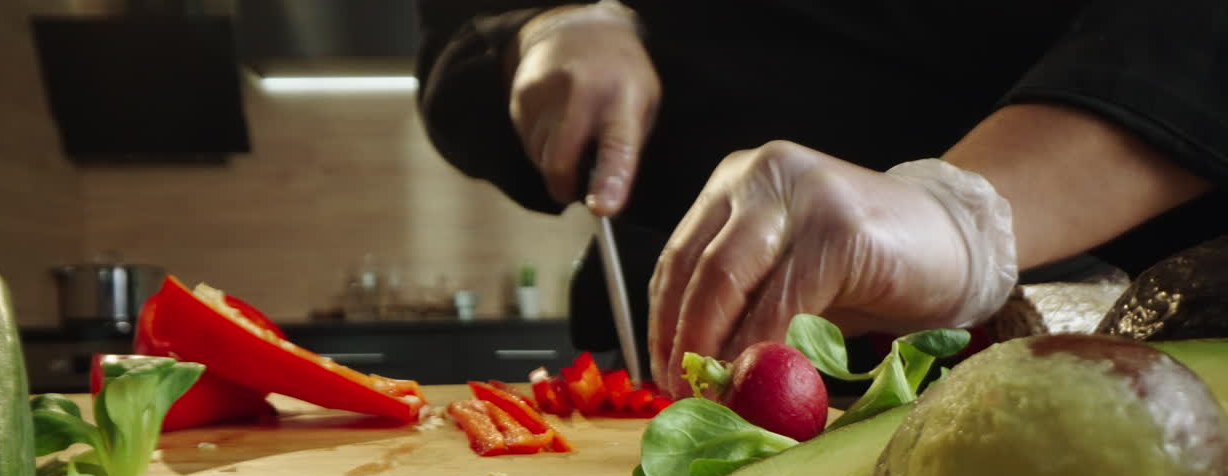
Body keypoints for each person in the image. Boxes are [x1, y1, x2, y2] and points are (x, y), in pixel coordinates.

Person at [413, 1, 1226, 395]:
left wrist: (965, 213)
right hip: (687, 378)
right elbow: (457, 45)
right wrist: (545, 23)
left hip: (1151, 352)